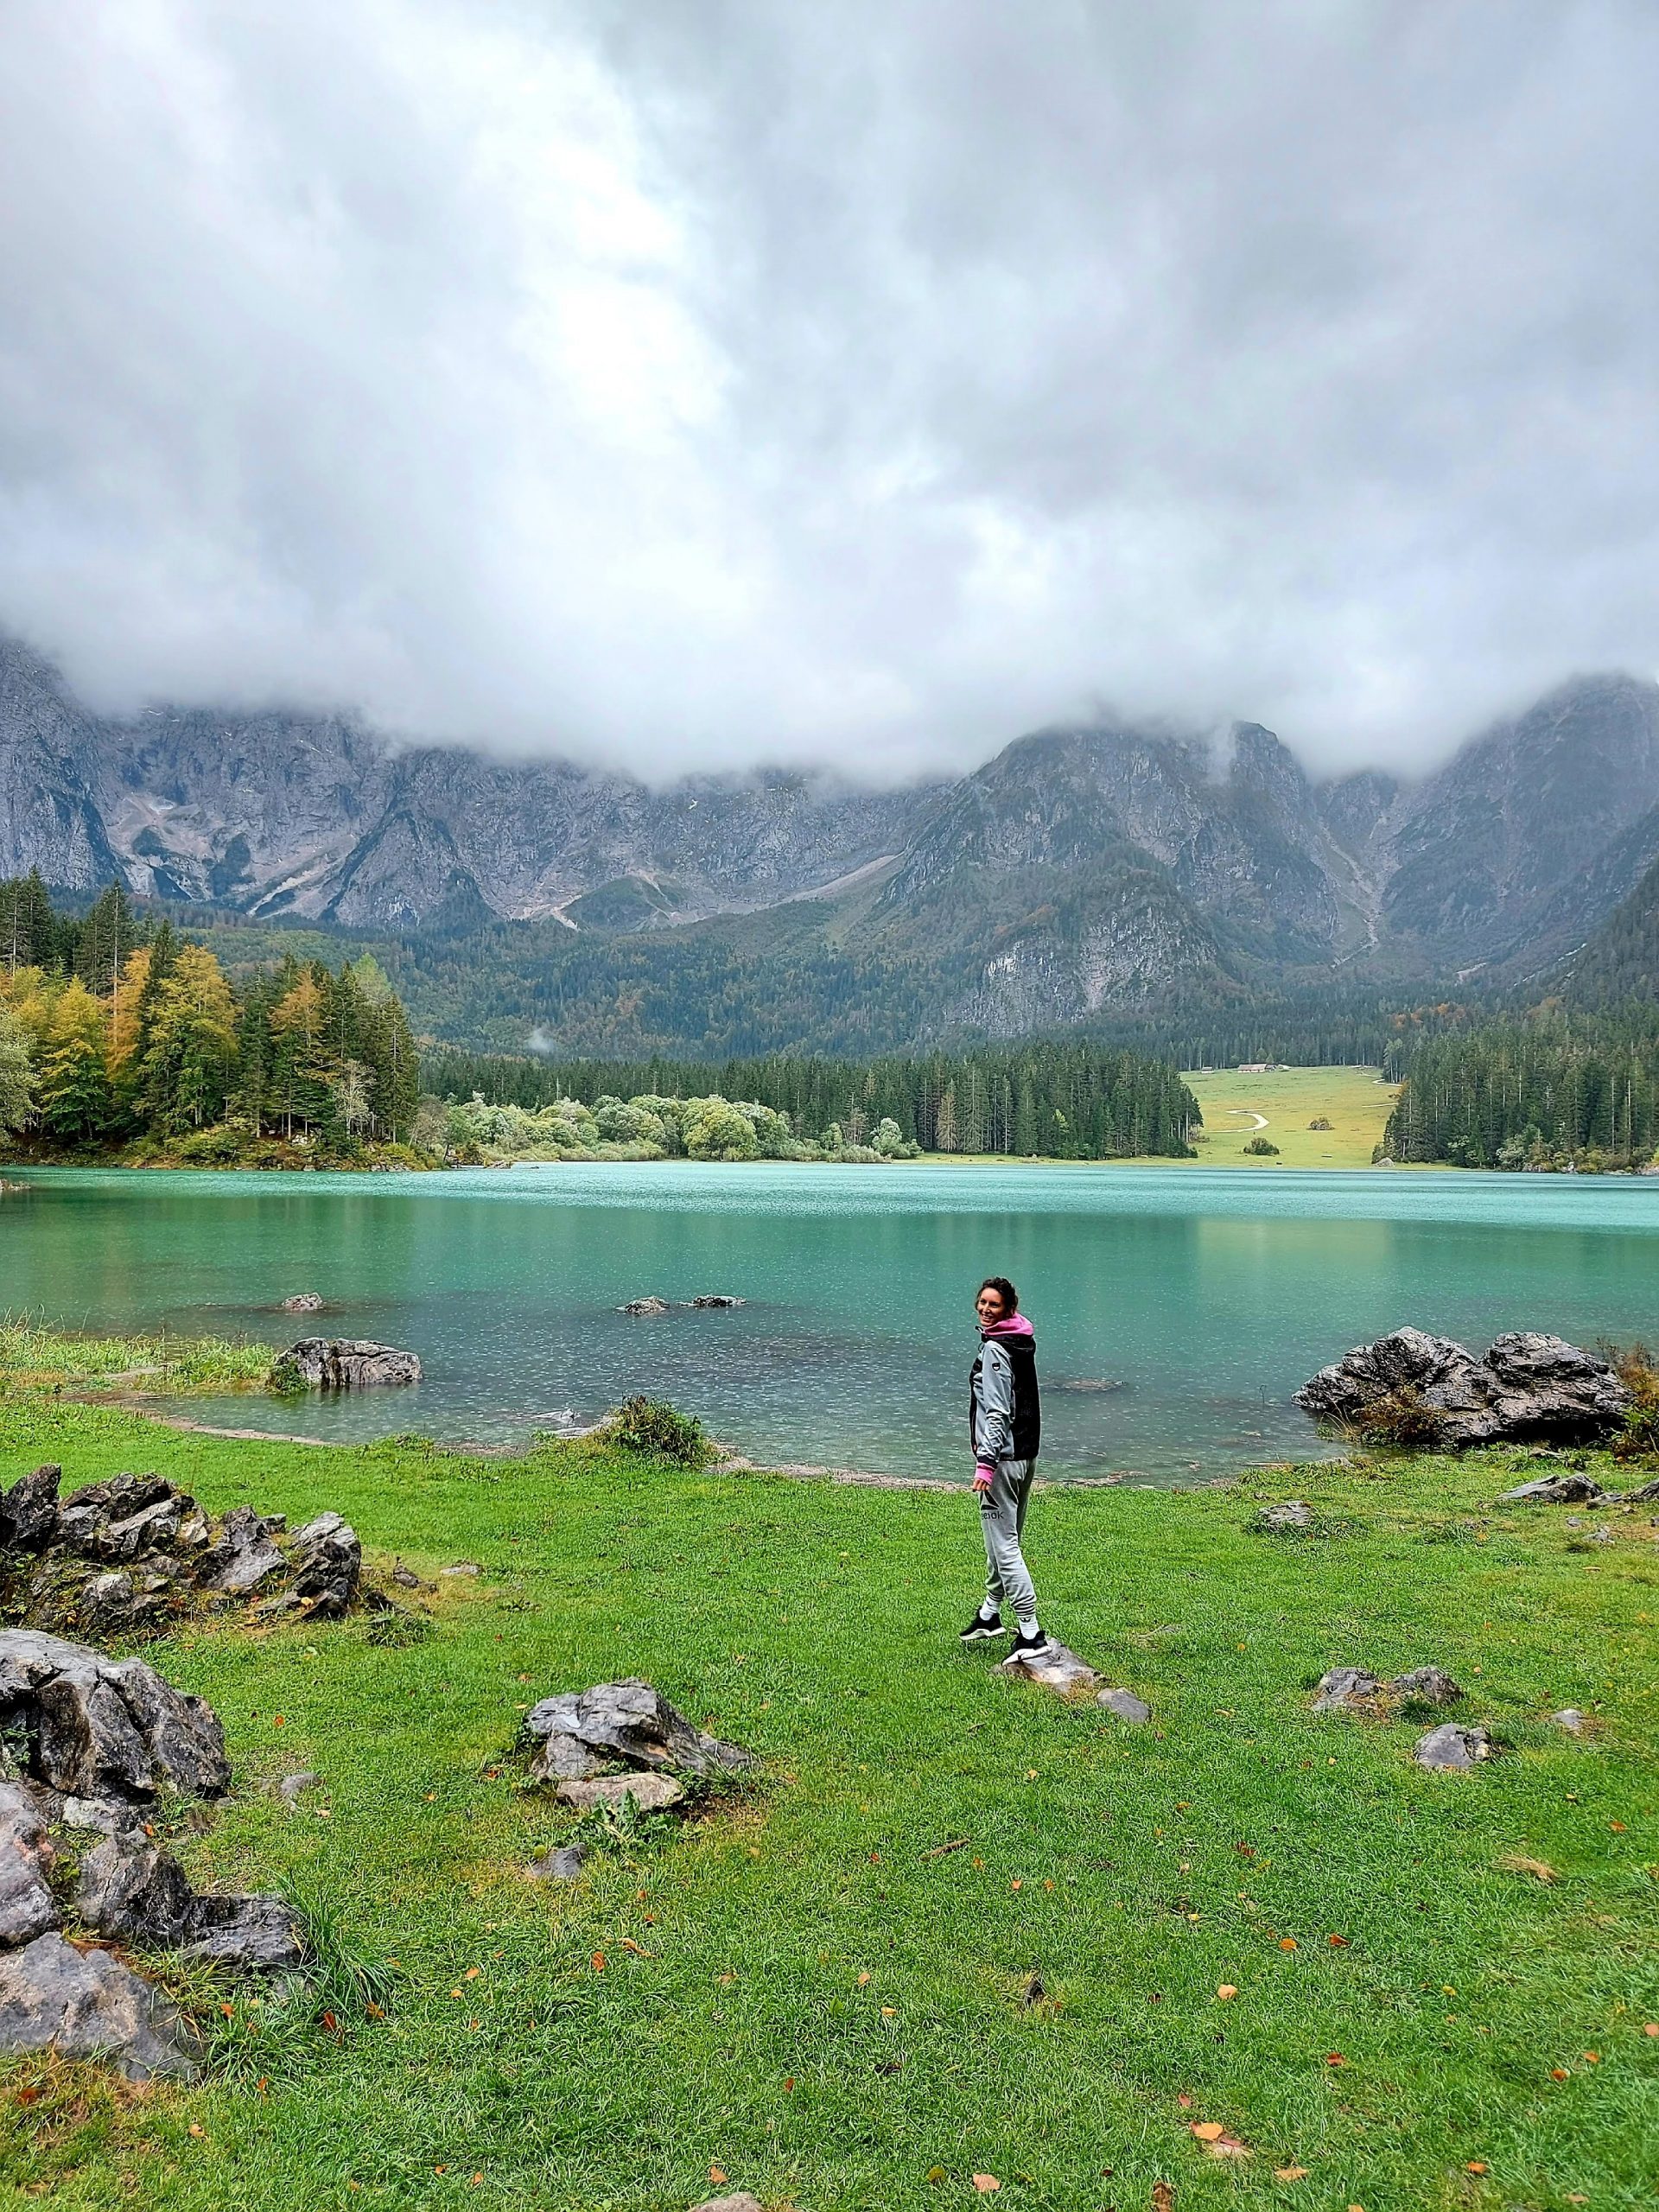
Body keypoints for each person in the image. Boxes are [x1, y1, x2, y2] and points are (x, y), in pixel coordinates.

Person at [960, 1274, 1052, 1661]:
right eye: (982, 1302)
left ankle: (1030, 1633)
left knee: (1005, 1545)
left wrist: (986, 1464)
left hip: (1003, 1460)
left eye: (993, 1305)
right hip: (1025, 1455)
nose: (985, 1309)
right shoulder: (1021, 1341)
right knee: (1003, 1539)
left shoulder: (998, 1350)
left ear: (1008, 1309)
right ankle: (990, 1614)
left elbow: (997, 1412)